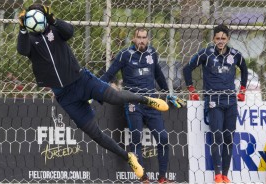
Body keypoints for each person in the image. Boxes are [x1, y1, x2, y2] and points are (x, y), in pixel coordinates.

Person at [16, 4, 170, 180]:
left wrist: (53, 19)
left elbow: (70, 31)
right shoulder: (30, 39)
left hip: (82, 81)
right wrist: (21, 29)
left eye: (41, 16)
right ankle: (129, 157)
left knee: (117, 97)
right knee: (95, 134)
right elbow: (22, 50)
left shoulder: (54, 29)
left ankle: (146, 100)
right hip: (65, 96)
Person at [101, 27, 180, 183]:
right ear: (133, 39)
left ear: (148, 39)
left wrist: (168, 93)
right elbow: (109, 74)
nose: (142, 40)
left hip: (151, 102)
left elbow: (158, 74)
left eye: (144, 37)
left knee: (163, 138)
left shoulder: (152, 54)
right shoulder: (125, 55)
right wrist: (93, 89)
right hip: (133, 102)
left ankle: (162, 178)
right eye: (139, 37)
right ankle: (143, 178)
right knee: (136, 138)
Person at [183, 24, 248, 183]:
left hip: (231, 101)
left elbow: (244, 69)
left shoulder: (235, 54)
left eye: (223, 38)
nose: (220, 41)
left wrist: (242, 90)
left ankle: (225, 175)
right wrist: (192, 89)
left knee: (229, 138)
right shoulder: (206, 53)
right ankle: (217, 174)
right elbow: (187, 69)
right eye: (218, 38)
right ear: (213, 39)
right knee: (217, 135)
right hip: (213, 100)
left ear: (228, 39)